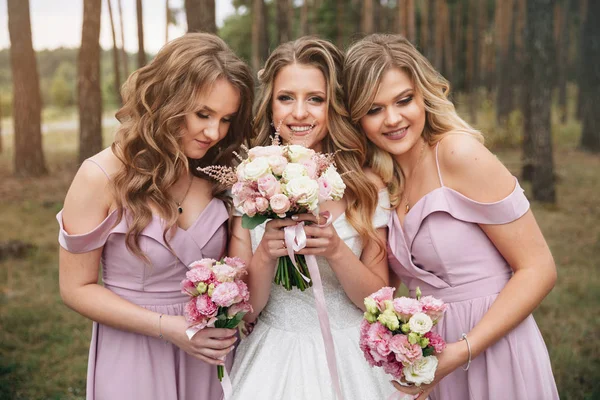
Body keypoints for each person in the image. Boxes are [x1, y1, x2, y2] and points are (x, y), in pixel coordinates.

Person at [343, 33, 559, 400]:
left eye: (404, 100)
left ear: (423, 95)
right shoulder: (384, 182)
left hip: (493, 348)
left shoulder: (457, 155)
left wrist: (462, 351)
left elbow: (539, 269)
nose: (392, 119)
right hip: (435, 361)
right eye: (374, 109)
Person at [57, 33, 254, 400]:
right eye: (202, 114)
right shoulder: (98, 176)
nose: (214, 132)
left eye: (226, 119)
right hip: (134, 353)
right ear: (167, 99)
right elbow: (75, 288)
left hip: (208, 356)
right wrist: (170, 328)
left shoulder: (217, 172)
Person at [227, 37, 396, 399]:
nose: (299, 113)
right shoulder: (247, 188)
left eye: (315, 99)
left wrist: (336, 250)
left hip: (352, 351)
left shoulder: (365, 188)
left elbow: (379, 299)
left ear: (333, 105)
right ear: (270, 105)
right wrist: (265, 254)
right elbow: (246, 310)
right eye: (286, 98)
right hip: (274, 355)